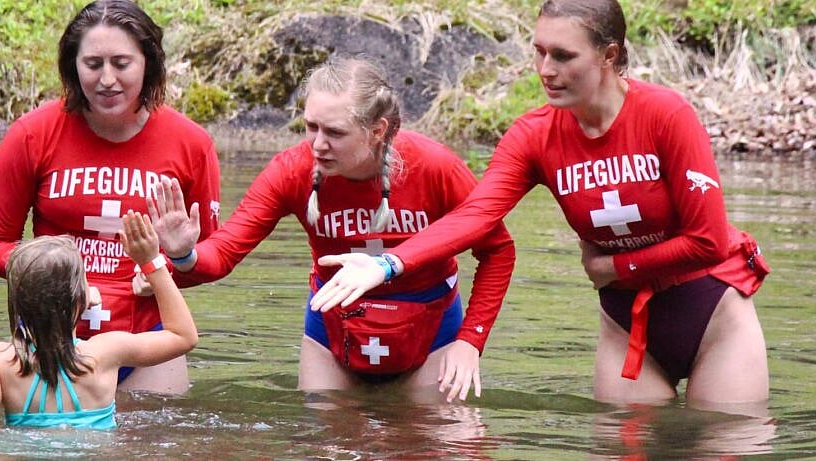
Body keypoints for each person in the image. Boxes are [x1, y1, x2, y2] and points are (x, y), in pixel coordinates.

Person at [311, 0, 771, 406]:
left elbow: (708, 242)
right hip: (625, 322)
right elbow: (477, 215)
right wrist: (388, 264)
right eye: (539, 51)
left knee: (723, 442)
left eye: (563, 55)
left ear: (609, 55)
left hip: (710, 310)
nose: (545, 69)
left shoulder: (665, 116)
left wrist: (614, 268)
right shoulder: (534, 136)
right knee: (621, 444)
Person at [145, 57, 515, 402]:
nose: (317, 145)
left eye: (335, 132)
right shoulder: (290, 171)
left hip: (432, 330)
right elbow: (224, 252)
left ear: (376, 131)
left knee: (442, 442)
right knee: (324, 442)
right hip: (333, 332)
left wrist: (470, 340)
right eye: (310, 127)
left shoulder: (435, 168)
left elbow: (498, 248)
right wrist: (183, 253)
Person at [0, 0, 221, 394]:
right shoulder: (31, 135)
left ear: (149, 63)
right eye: (93, 64)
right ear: (73, 66)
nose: (107, 79)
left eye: (121, 64)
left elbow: (210, 258)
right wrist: (53, 274)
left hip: (149, 342)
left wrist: (175, 261)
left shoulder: (191, 144)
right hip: (47, 338)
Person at [0, 212, 198, 429]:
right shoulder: (106, 352)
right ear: (80, 298)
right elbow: (183, 337)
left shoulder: (1, 361)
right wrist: (152, 262)